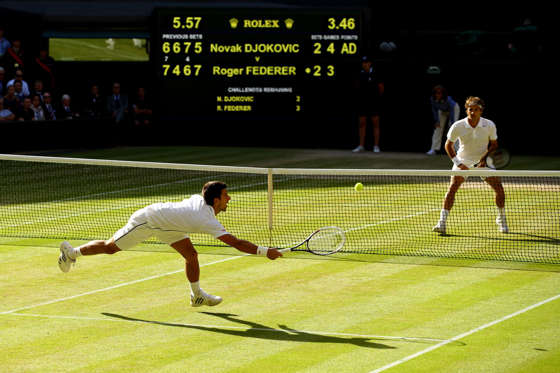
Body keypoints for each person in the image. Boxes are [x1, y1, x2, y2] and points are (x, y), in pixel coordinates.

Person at [57, 181, 283, 307]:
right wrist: (265, 252)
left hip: (170, 226)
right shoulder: (205, 218)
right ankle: (72, 252)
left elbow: (205, 189)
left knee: (191, 255)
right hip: (148, 221)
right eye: (226, 195)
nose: (229, 199)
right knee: (110, 248)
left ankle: (197, 296)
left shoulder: (203, 202)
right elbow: (236, 243)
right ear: (215, 201)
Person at [433, 96, 508, 234]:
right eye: (470, 109)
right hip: (463, 161)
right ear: (466, 110)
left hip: (484, 161)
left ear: (481, 110)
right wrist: (458, 163)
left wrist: (484, 158)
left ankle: (501, 219)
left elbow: (494, 144)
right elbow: (448, 145)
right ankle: (441, 222)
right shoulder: (458, 126)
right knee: (452, 189)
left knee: (499, 189)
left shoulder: (489, 125)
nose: (472, 112)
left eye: (476, 110)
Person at [352, 56, 384, 153]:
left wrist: (376, 98)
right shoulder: (360, 74)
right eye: (363, 62)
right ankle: (361, 145)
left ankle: (376, 146)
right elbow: (357, 86)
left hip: (374, 102)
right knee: (361, 123)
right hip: (363, 102)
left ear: (370, 63)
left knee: (375, 124)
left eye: (366, 62)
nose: (364, 64)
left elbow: (381, 88)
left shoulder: (376, 73)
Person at [426, 85, 460, 155]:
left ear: (443, 94)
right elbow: (434, 110)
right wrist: (437, 121)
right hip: (442, 111)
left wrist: (452, 123)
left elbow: (452, 111)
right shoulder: (432, 99)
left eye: (439, 93)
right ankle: (434, 149)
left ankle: (457, 150)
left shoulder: (448, 100)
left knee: (453, 129)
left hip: (453, 109)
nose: (438, 95)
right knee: (438, 128)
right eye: (436, 93)